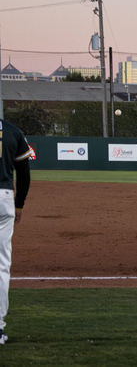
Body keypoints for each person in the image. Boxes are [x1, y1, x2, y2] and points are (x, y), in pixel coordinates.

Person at [0, 120, 32, 345]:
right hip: (4, 200)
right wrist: (19, 204)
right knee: (1, 265)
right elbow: (24, 173)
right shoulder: (12, 130)